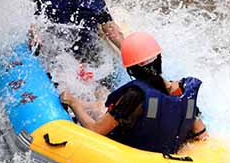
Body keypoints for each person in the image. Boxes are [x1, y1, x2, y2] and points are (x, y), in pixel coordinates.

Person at [60, 31, 209, 155]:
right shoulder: (182, 92)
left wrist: (74, 103)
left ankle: (86, 103)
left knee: (101, 107)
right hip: (167, 156)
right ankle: (93, 102)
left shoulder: (134, 95)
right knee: (102, 102)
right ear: (159, 59)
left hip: (134, 159)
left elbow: (96, 130)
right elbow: (201, 133)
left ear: (130, 69)